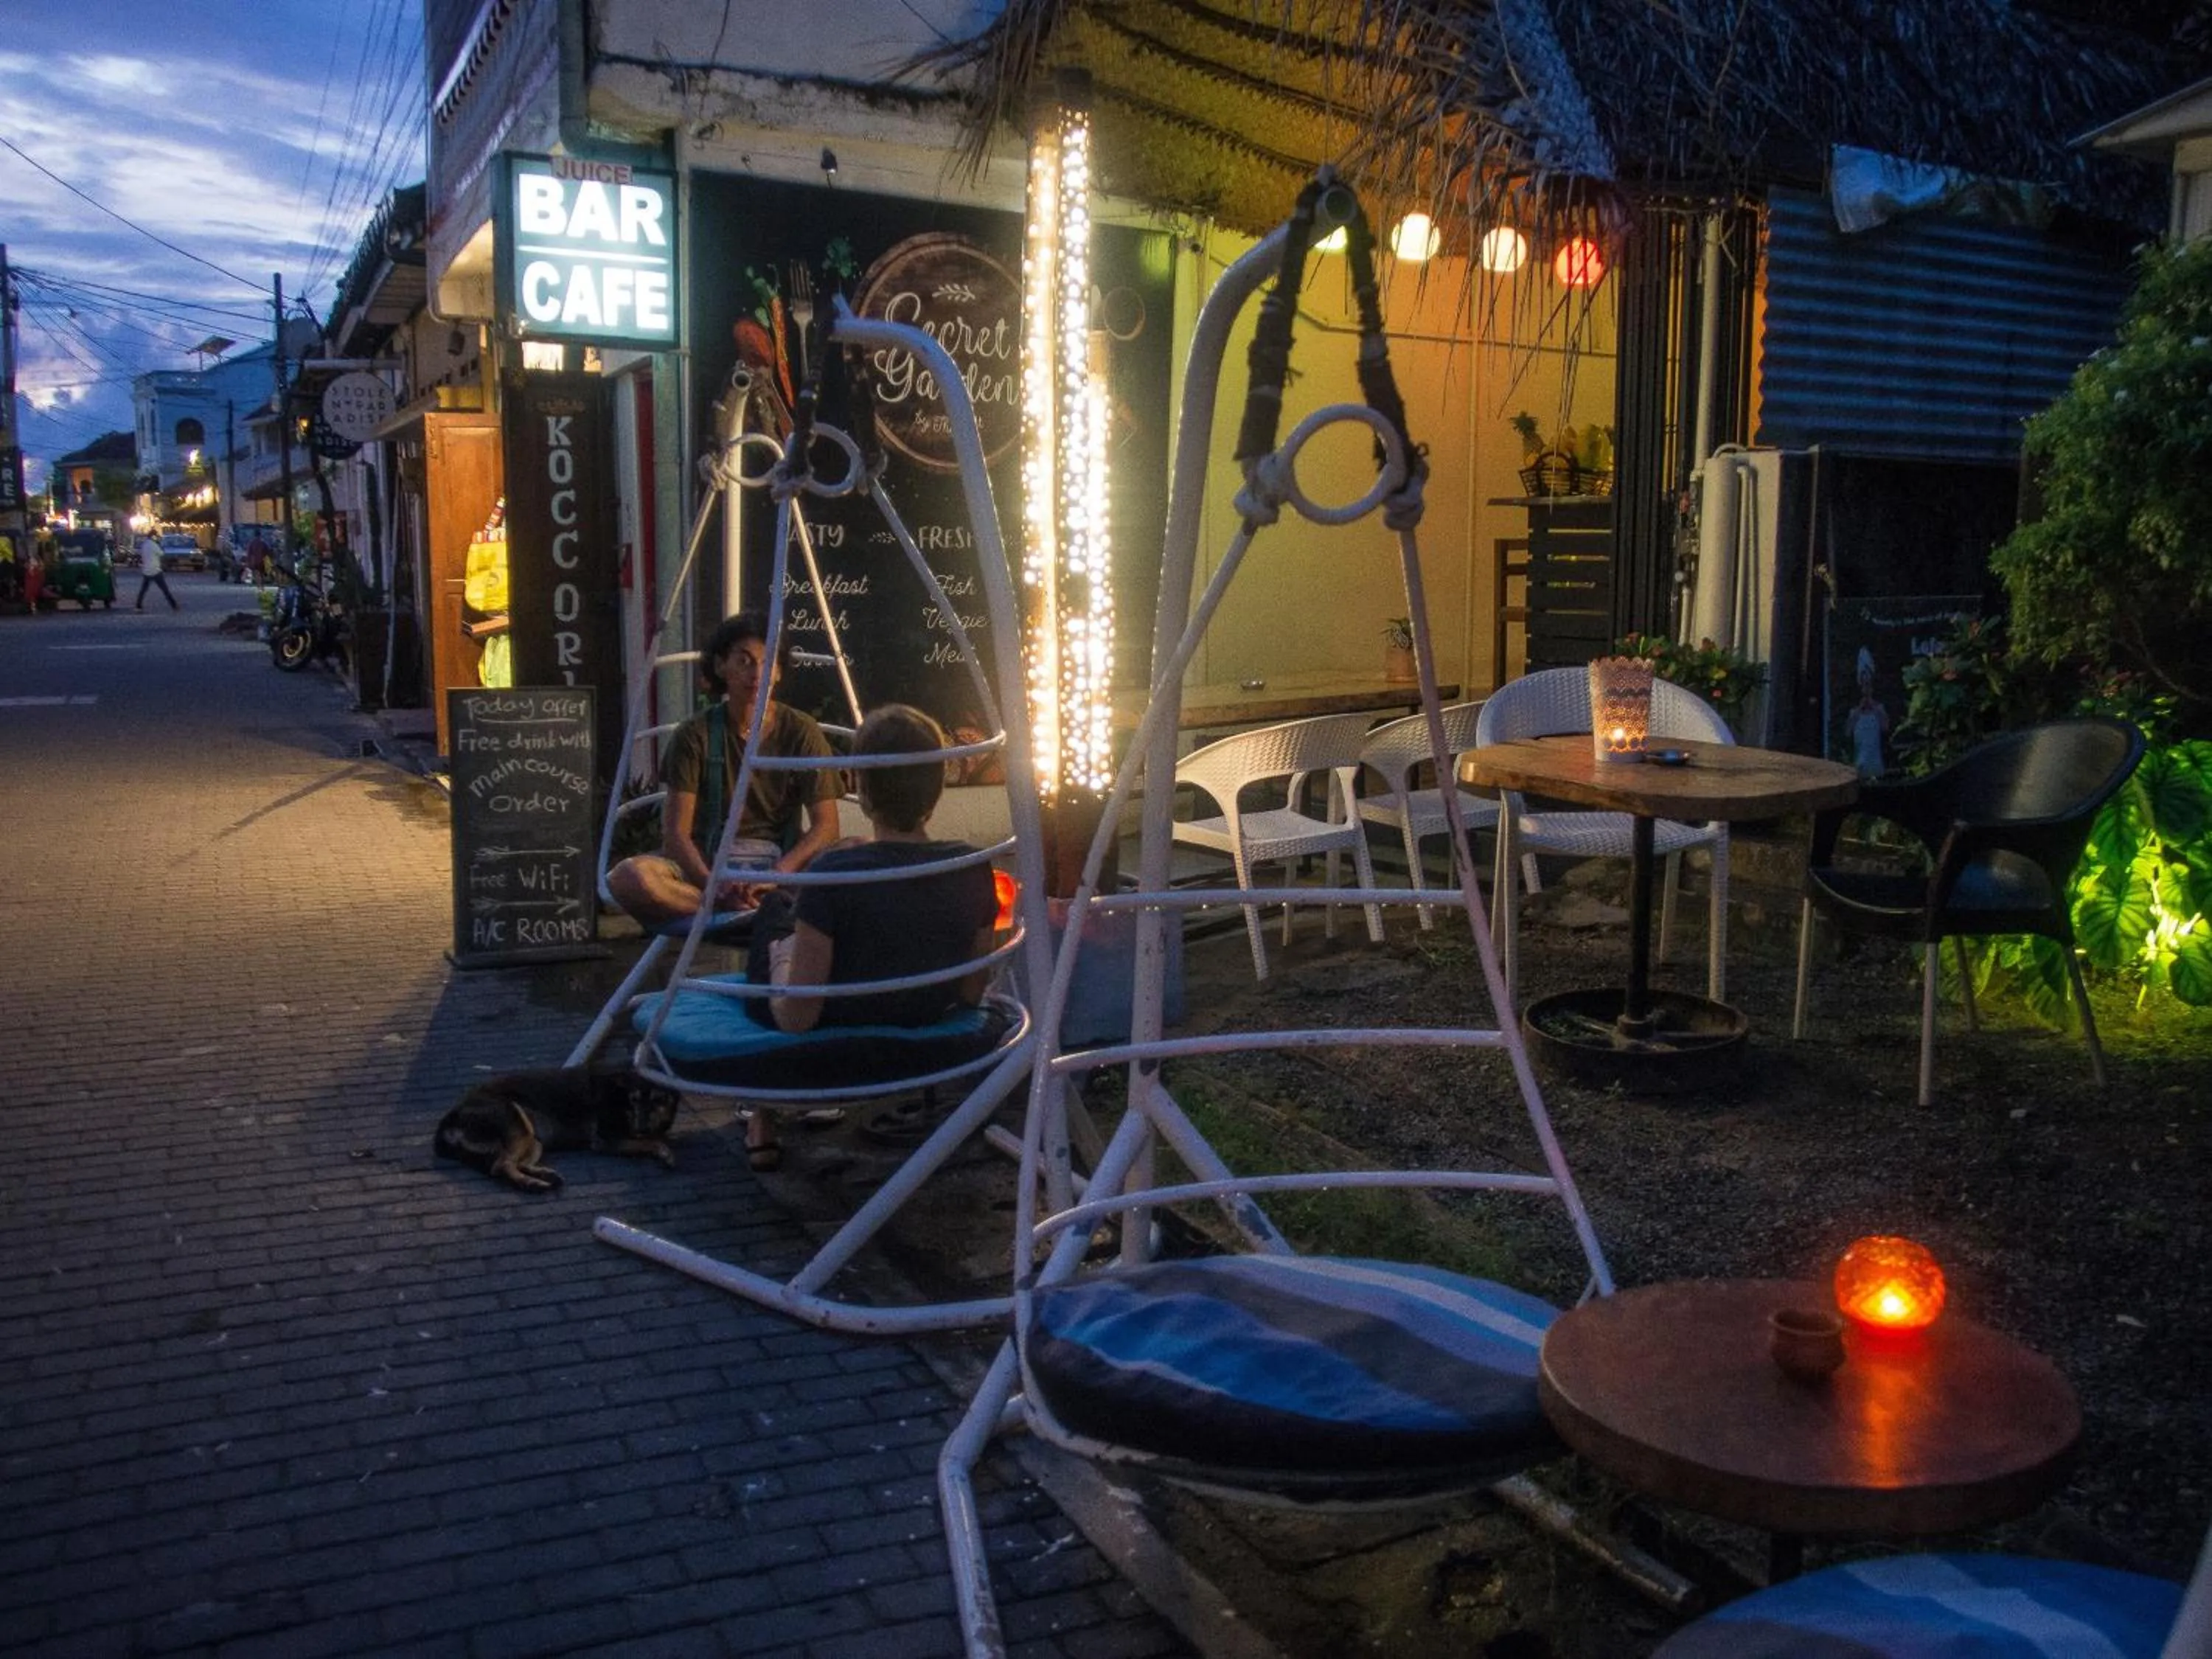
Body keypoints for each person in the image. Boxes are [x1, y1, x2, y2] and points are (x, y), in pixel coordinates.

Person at [740, 703, 998, 1169]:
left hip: (837, 1031)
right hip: (924, 1016)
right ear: (937, 786)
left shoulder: (833, 875)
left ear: (860, 788)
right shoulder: (971, 867)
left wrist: (781, 962)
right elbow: (971, 991)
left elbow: (798, 1019)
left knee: (776, 909)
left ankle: (762, 1112)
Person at [606, 612, 841, 928]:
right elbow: (676, 834)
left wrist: (778, 874)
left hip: (781, 867)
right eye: (744, 661)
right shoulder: (695, 734)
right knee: (628, 878)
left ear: (779, 672)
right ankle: (734, 909)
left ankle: (752, 908)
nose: (756, 674)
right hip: (705, 867)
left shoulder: (801, 731)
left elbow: (826, 827)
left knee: (859, 854)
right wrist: (713, 885)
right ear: (721, 667)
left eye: (768, 662)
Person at [133, 533, 178, 611]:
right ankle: (174, 605)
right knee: (165, 589)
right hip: (155, 570)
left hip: (146, 570)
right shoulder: (154, 545)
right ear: (153, 537)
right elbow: (161, 553)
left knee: (143, 590)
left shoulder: (144, 545)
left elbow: (141, 555)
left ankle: (138, 606)